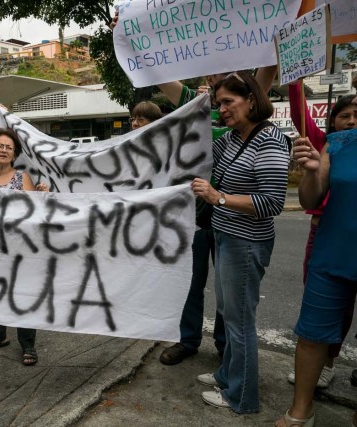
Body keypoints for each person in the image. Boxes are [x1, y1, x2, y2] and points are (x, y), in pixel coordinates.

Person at [110, 10, 278, 367]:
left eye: (226, 70)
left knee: (229, 289)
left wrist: (279, 26)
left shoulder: (243, 100)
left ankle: (224, 346)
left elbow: (269, 66)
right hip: (197, 212)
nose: (217, 76)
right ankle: (188, 340)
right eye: (212, 69)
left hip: (234, 211)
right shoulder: (191, 100)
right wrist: (130, 40)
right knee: (191, 278)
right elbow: (158, 75)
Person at [191, 72, 289, 413]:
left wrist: (219, 198)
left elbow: (271, 202)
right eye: (219, 104)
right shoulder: (234, 138)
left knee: (239, 320)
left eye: (228, 102)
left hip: (246, 244)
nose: (223, 110)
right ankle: (227, 374)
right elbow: (197, 151)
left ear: (251, 99)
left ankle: (241, 396)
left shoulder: (270, 140)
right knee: (227, 312)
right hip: (226, 237)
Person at [275, 129, 357, 427]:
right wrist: (310, 172)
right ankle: (300, 410)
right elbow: (311, 197)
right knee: (311, 335)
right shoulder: (338, 143)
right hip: (332, 254)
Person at [285, 85, 357, 389]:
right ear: (333, 123)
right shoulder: (325, 145)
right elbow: (299, 111)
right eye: (345, 116)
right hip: (326, 238)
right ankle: (326, 362)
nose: (352, 121)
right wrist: (294, 79)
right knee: (330, 308)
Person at [0, 128, 48, 365]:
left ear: (14, 153)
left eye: (9, 147)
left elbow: (33, 214)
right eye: (0, 146)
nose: (4, 150)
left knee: (22, 295)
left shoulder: (22, 178)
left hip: (19, 251)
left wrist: (42, 195)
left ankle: (27, 344)